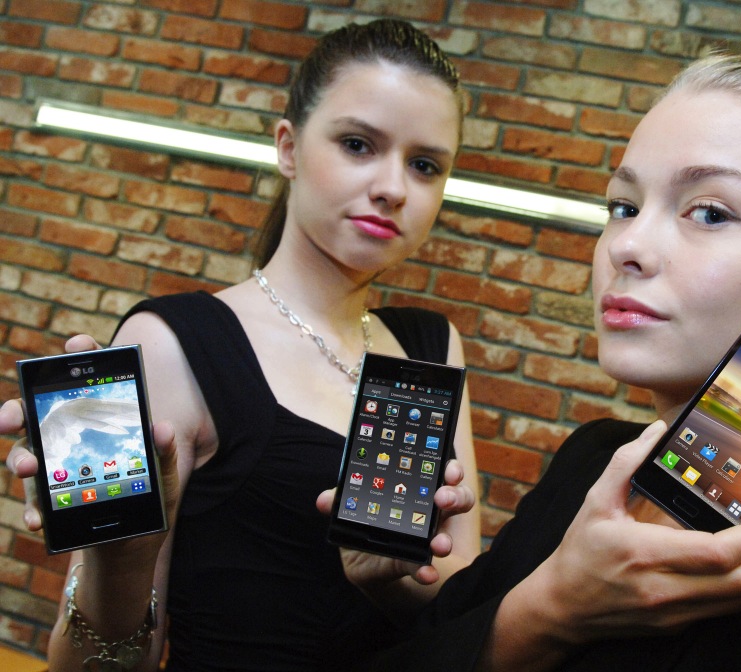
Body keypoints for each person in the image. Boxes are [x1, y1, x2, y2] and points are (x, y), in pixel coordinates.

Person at [341, 54, 741, 671]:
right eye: (624, 207)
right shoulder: (589, 463)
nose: (628, 246)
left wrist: (552, 612)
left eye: (709, 212)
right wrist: (409, 591)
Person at [2, 19, 481, 672]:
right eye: (357, 144)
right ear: (288, 147)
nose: (393, 187)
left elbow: (462, 615)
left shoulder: (432, 348)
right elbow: (95, 663)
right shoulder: (175, 343)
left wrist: (389, 580)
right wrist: (120, 563)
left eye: (424, 165)